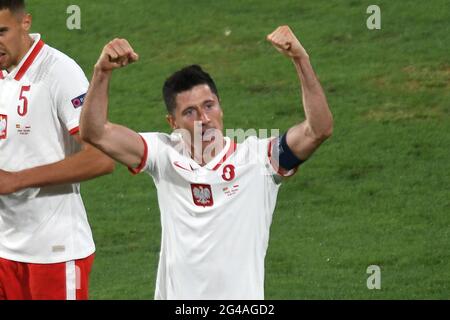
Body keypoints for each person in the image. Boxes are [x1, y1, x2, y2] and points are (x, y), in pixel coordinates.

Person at [80, 25, 333, 299]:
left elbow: (318, 129)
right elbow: (95, 132)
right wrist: (101, 73)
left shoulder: (258, 161)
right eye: (190, 112)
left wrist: (300, 59)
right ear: (173, 122)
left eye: (209, 105)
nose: (204, 118)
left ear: (221, 106)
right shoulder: (163, 155)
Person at [0, 0, 115, 300]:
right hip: (4, 250)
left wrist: (16, 180)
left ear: (25, 22)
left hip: (54, 253)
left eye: (1, 32)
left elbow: (101, 157)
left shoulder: (58, 72)